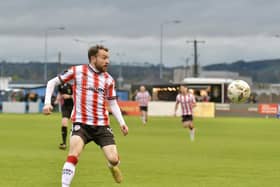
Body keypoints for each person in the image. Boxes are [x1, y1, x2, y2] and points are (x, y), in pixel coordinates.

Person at [43, 45, 129, 186]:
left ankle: (111, 165)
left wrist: (122, 123)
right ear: (93, 58)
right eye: (104, 58)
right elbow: (52, 82)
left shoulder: (109, 79)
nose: (107, 61)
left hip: (102, 125)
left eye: (108, 58)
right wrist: (47, 103)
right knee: (73, 154)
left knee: (114, 159)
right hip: (81, 123)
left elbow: (112, 103)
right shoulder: (77, 71)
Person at [55, 82, 74, 150]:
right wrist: (56, 101)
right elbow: (60, 93)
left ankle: (76, 142)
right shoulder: (60, 85)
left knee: (75, 125)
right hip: (65, 106)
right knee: (64, 123)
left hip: (74, 106)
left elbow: (78, 95)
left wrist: (69, 96)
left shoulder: (72, 84)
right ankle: (64, 143)